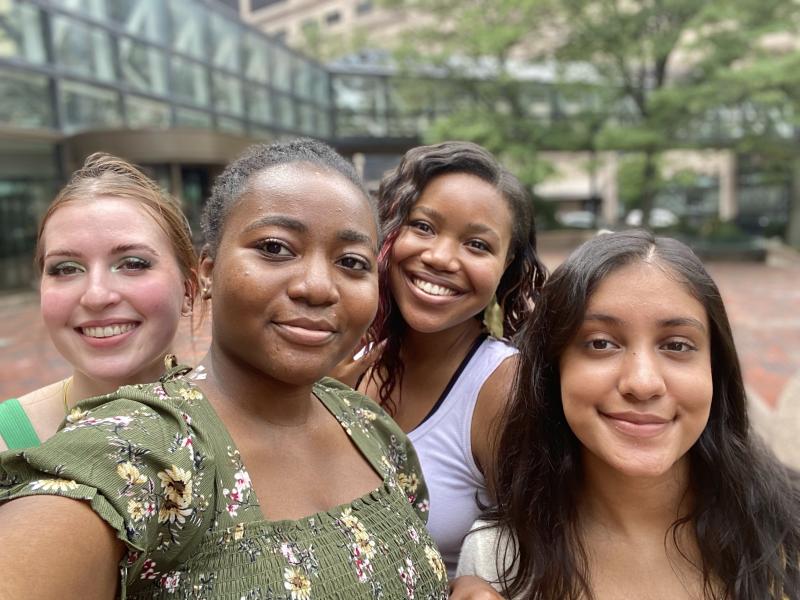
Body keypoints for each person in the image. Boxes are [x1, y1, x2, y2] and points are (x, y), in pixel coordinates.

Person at [0, 139, 448, 599]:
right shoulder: (147, 446)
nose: (317, 287)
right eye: (275, 248)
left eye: (351, 262)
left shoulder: (372, 427)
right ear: (208, 272)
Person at [457, 230, 800, 599]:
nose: (642, 382)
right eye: (601, 343)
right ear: (552, 370)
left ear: (715, 370)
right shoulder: (499, 560)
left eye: (677, 345)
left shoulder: (787, 533)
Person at [335, 141, 547, 578]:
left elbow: (548, 553)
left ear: (507, 267)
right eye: (424, 227)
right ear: (387, 231)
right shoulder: (346, 358)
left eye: (476, 244)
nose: (440, 257)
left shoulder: (504, 389)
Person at [0, 153, 198, 451]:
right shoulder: (6, 439)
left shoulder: (246, 421)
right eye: (66, 268)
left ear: (188, 289)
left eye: (132, 263)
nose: (96, 296)